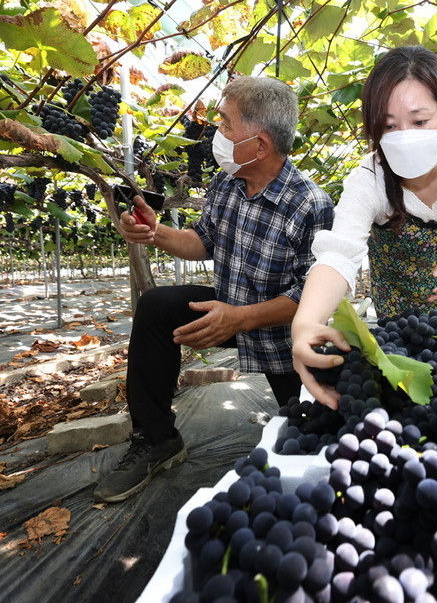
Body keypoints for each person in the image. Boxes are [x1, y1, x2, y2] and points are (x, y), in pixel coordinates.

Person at [94, 76, 335, 503]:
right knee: (155, 307)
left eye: (225, 124)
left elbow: (309, 296)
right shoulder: (227, 182)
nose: (215, 134)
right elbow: (203, 240)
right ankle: (157, 439)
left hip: (284, 335)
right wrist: (156, 232)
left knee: (311, 439)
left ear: (259, 144)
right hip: (227, 308)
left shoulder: (310, 204)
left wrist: (238, 319)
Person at [290, 45, 437, 409]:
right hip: (394, 293)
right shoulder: (369, 178)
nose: (404, 135)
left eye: (419, 122)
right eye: (389, 125)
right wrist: (305, 323)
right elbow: (338, 254)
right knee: (403, 372)